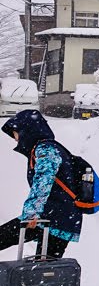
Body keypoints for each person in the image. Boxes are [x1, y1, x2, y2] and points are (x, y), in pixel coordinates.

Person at [0, 109, 82, 259]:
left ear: (26, 131)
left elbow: (43, 181)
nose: (15, 138)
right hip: (53, 215)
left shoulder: (46, 149)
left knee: (45, 266)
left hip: (56, 217)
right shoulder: (42, 148)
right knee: (44, 265)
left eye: (15, 133)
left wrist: (32, 213)